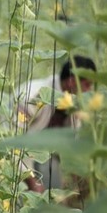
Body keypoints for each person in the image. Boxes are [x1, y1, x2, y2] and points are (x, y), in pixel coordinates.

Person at [14, 55, 96, 193]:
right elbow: (12, 144)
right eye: (87, 85)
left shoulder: (76, 102)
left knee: (53, 192)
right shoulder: (31, 96)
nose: (89, 91)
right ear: (71, 82)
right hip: (21, 153)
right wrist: (31, 181)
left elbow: (71, 144)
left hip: (47, 154)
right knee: (26, 199)